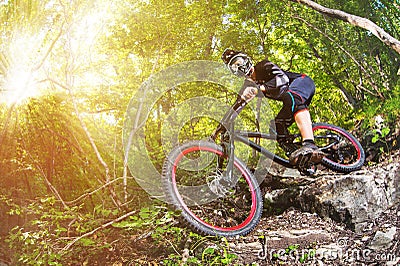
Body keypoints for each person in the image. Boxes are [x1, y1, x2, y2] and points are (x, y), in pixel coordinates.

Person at [221, 48, 325, 167]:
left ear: (245, 59)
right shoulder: (248, 85)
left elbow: (282, 79)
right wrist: (222, 125)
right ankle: (298, 156)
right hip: (289, 99)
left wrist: (258, 89)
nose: (239, 67)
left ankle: (309, 143)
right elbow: (237, 105)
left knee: (291, 97)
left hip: (302, 82)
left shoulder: (264, 66)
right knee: (275, 128)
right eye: (234, 67)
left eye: (238, 62)